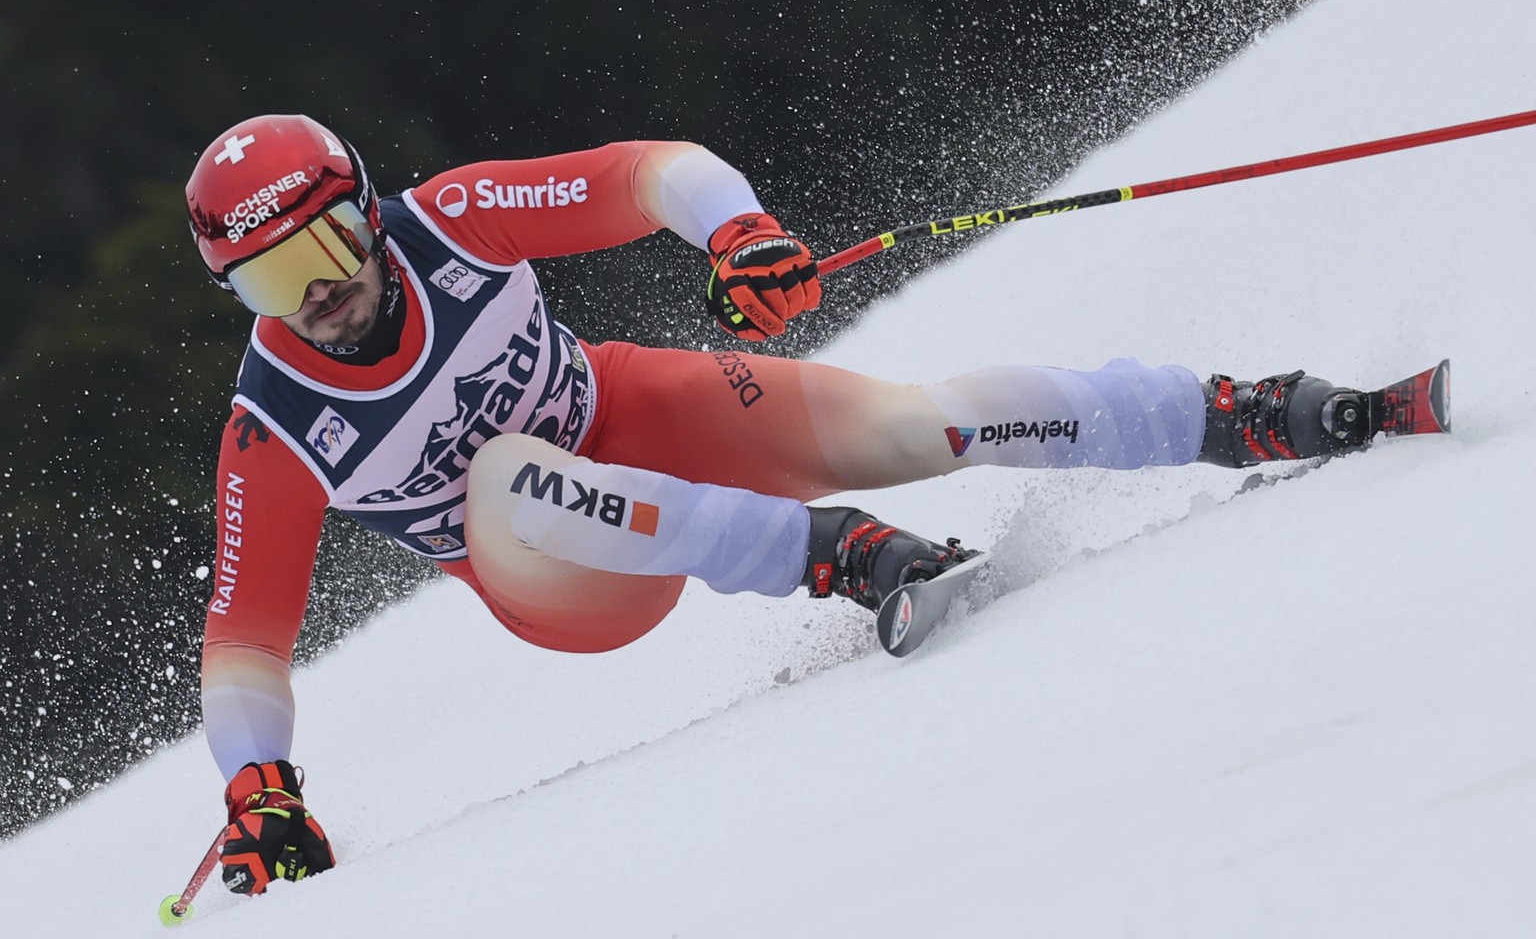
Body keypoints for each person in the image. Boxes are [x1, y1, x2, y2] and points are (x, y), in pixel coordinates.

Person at [185, 113, 1376, 895]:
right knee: (500, 474)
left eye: (331, 241)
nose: (322, 289)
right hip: (562, 576)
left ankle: (1237, 411)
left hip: (638, 412)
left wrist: (739, 232)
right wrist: (260, 788)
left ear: (370, 207)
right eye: (274, 279)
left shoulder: (455, 219)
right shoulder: (274, 424)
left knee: (910, 425)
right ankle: (842, 557)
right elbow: (244, 639)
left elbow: (652, 172)